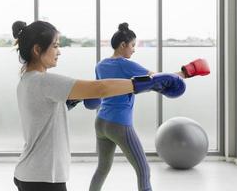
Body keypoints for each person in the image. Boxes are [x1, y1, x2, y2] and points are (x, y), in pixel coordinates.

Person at [12, 20, 192, 191]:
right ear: (37, 49)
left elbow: (42, 113)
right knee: (141, 168)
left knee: (103, 167)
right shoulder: (44, 81)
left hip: (32, 173)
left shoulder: (27, 81)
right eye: (55, 46)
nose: (59, 52)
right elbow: (101, 87)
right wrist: (146, 83)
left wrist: (69, 102)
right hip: (42, 178)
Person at [88, 23, 210, 191]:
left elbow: (98, 91)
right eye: (132, 45)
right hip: (119, 124)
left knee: (102, 169)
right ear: (123, 45)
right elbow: (158, 78)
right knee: (143, 170)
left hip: (101, 122)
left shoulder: (100, 65)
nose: (133, 50)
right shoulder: (125, 64)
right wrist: (187, 72)